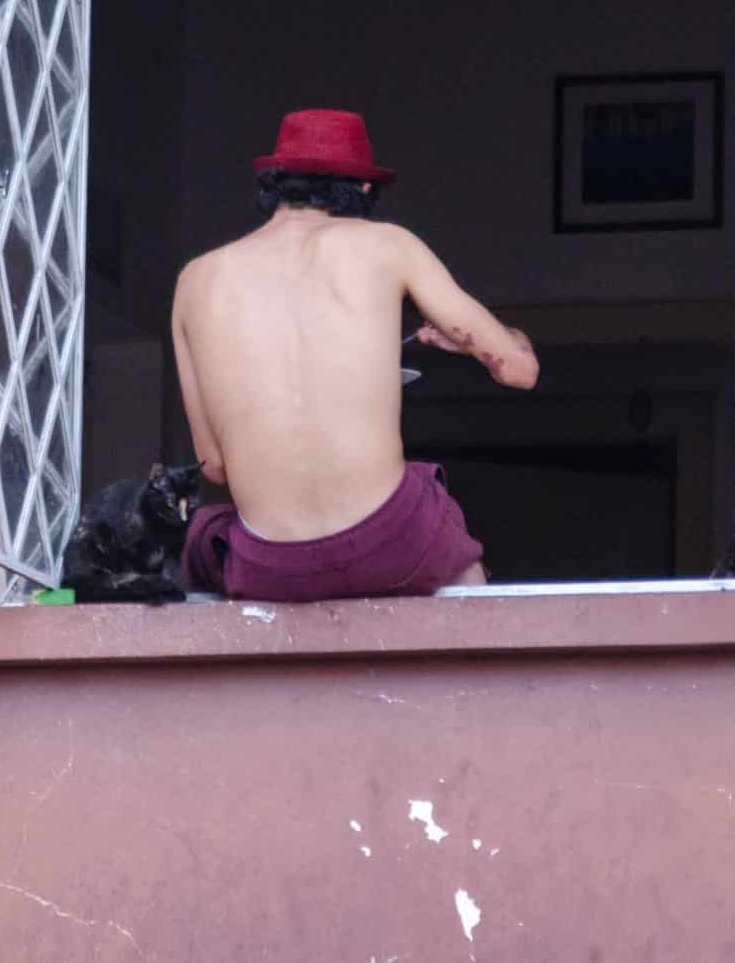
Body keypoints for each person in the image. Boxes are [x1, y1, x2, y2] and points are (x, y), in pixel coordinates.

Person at [171, 109, 539, 602]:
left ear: (275, 183)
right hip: (393, 544)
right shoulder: (389, 245)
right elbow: (519, 370)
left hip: (273, 565)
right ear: (363, 189)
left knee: (200, 539)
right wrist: (497, 339)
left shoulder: (196, 280)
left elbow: (213, 466)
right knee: (444, 524)